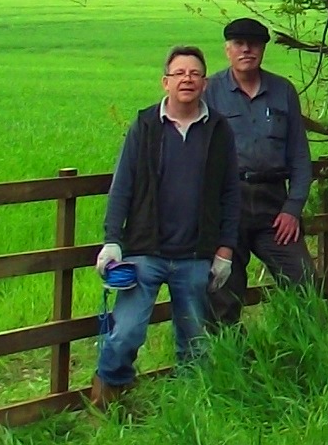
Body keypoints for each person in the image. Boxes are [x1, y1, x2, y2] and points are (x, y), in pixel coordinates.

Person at [92, 45, 239, 407]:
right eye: (179, 73)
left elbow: (230, 193)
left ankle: (190, 411)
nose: (187, 79)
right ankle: (109, 398)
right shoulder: (145, 126)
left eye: (194, 73)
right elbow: (122, 185)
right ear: (165, 82)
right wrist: (112, 241)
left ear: (205, 83)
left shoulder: (218, 130)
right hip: (145, 251)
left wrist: (224, 249)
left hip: (194, 255)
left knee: (195, 341)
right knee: (125, 332)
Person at [204, 15, 314, 327]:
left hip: (274, 205)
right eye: (239, 44)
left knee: (303, 281)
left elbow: (300, 157)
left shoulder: (283, 91)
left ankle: (301, 353)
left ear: (263, 49)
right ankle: (225, 365)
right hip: (230, 204)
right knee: (223, 292)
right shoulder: (210, 92)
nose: (247, 50)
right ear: (228, 50)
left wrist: (293, 208)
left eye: (254, 44)